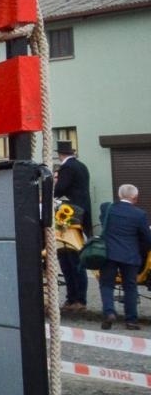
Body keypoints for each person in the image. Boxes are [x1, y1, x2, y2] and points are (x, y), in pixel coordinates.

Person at [98, 184, 151, 330]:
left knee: (107, 284)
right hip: (130, 255)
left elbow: (103, 223)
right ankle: (131, 320)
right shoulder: (140, 214)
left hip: (109, 253)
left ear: (119, 195)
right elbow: (147, 238)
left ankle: (109, 312)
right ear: (135, 198)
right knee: (130, 287)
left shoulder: (107, 208)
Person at [53, 141, 92, 312]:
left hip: (70, 218)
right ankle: (75, 298)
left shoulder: (67, 168)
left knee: (70, 259)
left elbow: (60, 189)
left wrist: (47, 191)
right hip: (80, 216)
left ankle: (76, 298)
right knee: (71, 259)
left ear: (60, 154)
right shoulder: (81, 166)